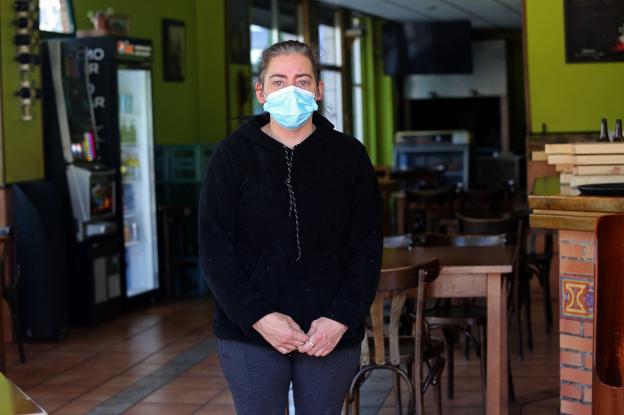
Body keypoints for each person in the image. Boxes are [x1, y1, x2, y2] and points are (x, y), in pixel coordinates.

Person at [198, 40, 382, 415]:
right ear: (261, 91)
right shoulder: (232, 155)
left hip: (329, 331)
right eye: (279, 81)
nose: (292, 90)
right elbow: (215, 250)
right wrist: (258, 318)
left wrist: (341, 317)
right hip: (248, 331)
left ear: (318, 89)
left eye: (302, 79)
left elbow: (367, 246)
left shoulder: (348, 155)